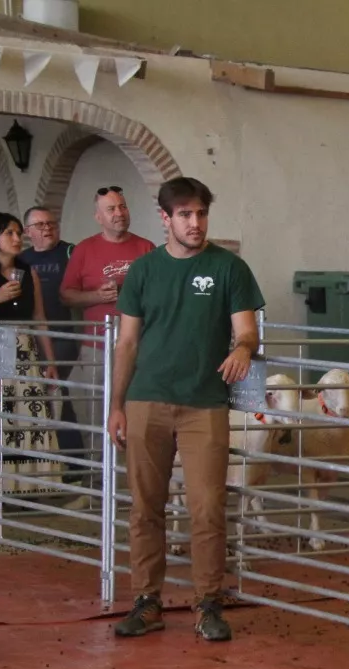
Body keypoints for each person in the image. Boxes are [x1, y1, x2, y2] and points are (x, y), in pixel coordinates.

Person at [106, 176, 263, 643]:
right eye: (185, 215)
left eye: (201, 214)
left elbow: (247, 329)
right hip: (146, 399)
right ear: (165, 218)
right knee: (145, 507)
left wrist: (244, 350)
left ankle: (208, 602)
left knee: (208, 506)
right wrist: (117, 405)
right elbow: (128, 342)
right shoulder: (143, 271)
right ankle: (146, 600)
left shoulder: (229, 268)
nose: (195, 223)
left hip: (204, 404)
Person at [0, 211, 61, 495]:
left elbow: (39, 317)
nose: (16, 239)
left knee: (26, 412)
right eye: (9, 233)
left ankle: (26, 484)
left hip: (24, 348)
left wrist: (50, 359)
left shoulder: (27, 271)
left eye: (18, 233)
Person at [18, 205, 87, 480]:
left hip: (62, 336)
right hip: (29, 341)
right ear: (27, 232)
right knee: (40, 401)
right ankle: (43, 469)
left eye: (51, 223)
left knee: (55, 396)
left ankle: (75, 468)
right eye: (40, 225)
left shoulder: (71, 252)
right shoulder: (22, 260)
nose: (47, 228)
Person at [59, 186, 154, 333]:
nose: (119, 213)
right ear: (98, 217)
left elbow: (160, 292)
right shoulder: (84, 249)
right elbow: (66, 297)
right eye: (111, 209)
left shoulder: (146, 247)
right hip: (96, 343)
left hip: (139, 341)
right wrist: (97, 296)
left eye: (123, 207)